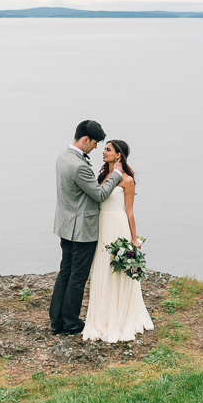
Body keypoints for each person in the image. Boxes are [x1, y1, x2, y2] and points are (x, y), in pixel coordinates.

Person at [50, 120, 123, 335]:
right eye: (94, 143)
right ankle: (71, 322)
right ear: (85, 139)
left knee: (65, 272)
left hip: (66, 225)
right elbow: (99, 194)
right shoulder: (79, 166)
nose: (96, 148)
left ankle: (56, 321)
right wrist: (116, 175)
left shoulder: (63, 157)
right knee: (77, 277)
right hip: (82, 229)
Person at [82, 139, 154, 342]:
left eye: (108, 149)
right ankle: (101, 314)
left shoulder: (127, 180)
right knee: (102, 268)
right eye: (104, 148)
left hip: (117, 225)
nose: (103, 152)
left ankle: (120, 316)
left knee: (117, 270)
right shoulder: (104, 175)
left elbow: (129, 211)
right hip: (102, 224)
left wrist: (133, 239)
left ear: (118, 155)